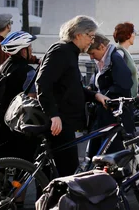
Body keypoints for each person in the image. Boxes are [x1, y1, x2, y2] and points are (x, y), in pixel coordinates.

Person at [36, 15, 109, 177]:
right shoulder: (62, 51)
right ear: (79, 34)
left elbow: (71, 87)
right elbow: (42, 83)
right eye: (90, 36)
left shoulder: (69, 52)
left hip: (63, 122)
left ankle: (51, 202)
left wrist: (96, 95)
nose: (92, 40)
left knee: (59, 173)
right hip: (59, 123)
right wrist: (53, 115)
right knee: (67, 173)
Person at [0, 31, 39, 160]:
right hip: (17, 124)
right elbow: (32, 99)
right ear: (23, 51)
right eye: (30, 47)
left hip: (0, 121)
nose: (32, 50)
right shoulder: (28, 72)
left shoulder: (3, 67)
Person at [86, 33, 133, 157]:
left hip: (113, 115)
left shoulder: (115, 59)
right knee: (97, 153)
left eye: (92, 53)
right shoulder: (103, 60)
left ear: (102, 47)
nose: (91, 57)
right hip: (103, 115)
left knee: (111, 155)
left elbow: (124, 84)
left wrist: (104, 95)